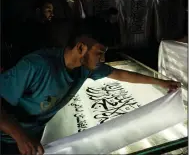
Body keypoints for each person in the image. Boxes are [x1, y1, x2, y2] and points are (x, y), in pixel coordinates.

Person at [0, 19, 180, 155]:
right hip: (8, 139)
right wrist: (20, 137)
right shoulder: (36, 66)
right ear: (80, 48)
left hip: (34, 136)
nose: (102, 60)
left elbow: (121, 74)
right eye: (99, 54)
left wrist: (162, 83)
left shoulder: (84, 69)